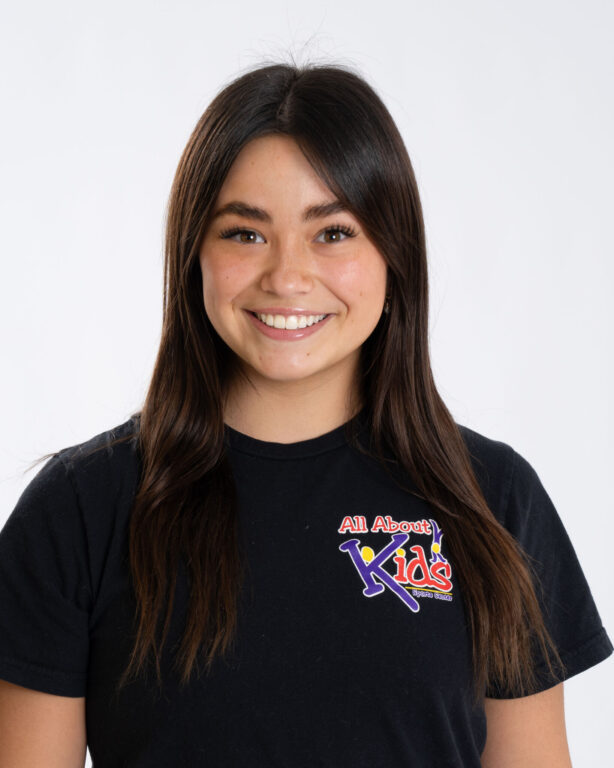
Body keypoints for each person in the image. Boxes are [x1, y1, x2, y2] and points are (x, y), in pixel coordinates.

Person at [0, 60, 611, 767]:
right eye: (245, 233)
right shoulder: (80, 510)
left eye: (333, 233)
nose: (287, 277)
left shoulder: (492, 500)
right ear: (194, 255)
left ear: (394, 254)